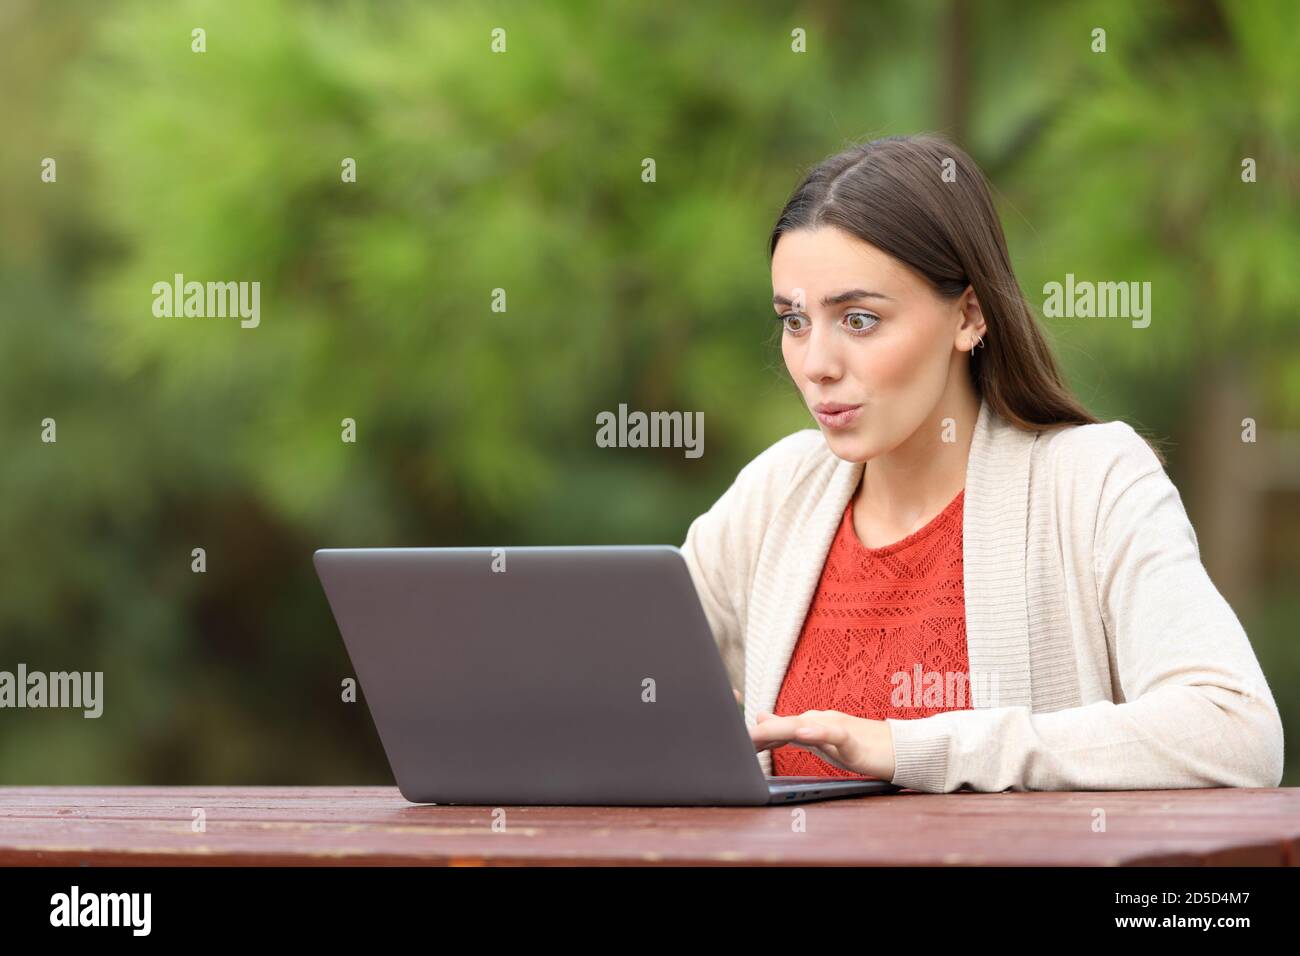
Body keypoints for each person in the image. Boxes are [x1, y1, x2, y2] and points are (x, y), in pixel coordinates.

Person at [681, 134, 1283, 793]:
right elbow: (622, 689)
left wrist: (913, 747)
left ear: (968, 315)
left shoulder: (1092, 482)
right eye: (794, 321)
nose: (816, 364)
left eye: (858, 319)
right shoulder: (776, 495)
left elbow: (1235, 731)